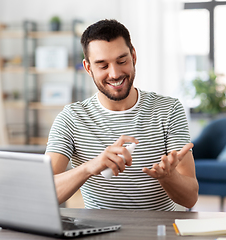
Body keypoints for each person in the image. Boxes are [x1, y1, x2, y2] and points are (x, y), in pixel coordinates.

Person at [46, 19, 198, 211]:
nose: (115, 73)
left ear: (133, 56)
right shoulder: (71, 118)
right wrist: (90, 167)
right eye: (102, 65)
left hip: (159, 233)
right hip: (98, 233)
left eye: (122, 61)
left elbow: (190, 198)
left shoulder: (169, 110)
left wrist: (169, 177)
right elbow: (44, 192)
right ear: (88, 68)